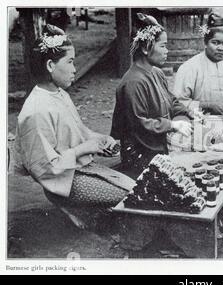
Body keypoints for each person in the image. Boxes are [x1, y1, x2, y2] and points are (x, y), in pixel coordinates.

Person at [13, 25, 135, 229]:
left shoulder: (60, 94)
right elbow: (46, 169)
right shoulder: (35, 111)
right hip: (63, 182)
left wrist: (100, 140)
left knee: (133, 187)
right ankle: (77, 209)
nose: (75, 69)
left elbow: (78, 131)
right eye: (70, 62)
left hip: (79, 169)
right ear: (51, 65)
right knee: (131, 196)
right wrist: (86, 148)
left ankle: (89, 213)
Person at [111, 13, 195, 176]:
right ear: (145, 48)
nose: (167, 51)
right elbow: (139, 123)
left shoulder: (156, 73)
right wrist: (171, 125)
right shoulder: (133, 82)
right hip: (139, 153)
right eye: (162, 46)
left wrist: (188, 113)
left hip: (158, 145)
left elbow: (171, 100)